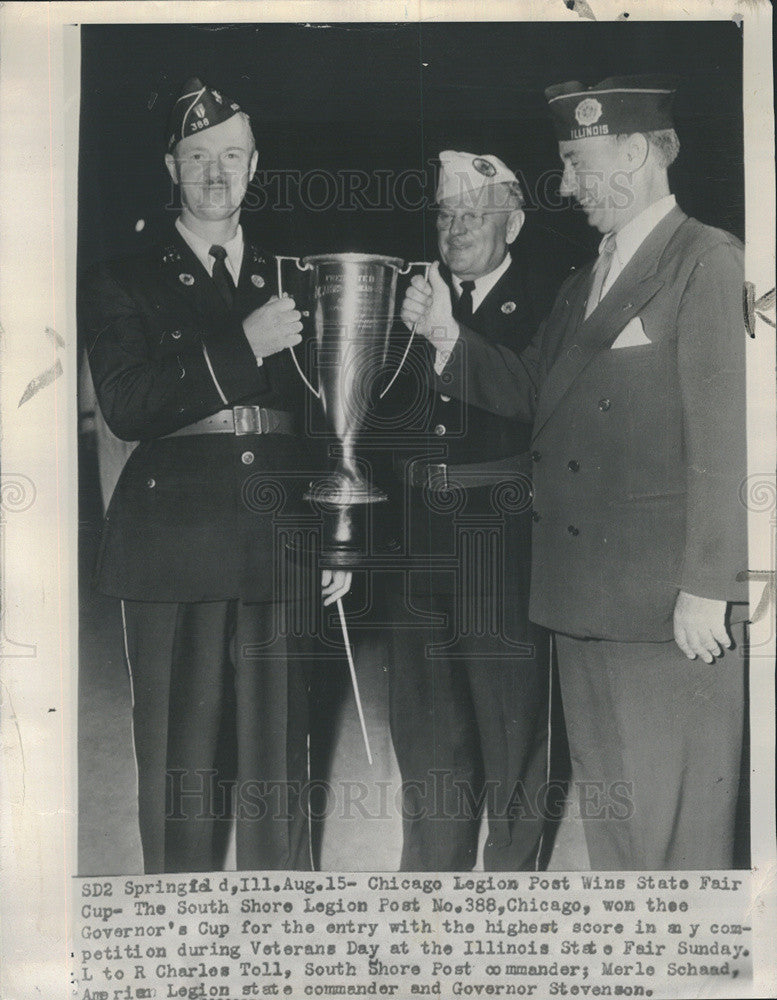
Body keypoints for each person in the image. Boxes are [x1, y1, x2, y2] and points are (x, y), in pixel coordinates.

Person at [400, 76, 748, 871]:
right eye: (564, 165)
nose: (568, 185)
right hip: (579, 598)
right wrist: (447, 339)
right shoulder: (584, 280)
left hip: (664, 602)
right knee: (617, 825)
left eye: (579, 163)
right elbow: (531, 392)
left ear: (635, 152)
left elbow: (724, 437)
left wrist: (707, 583)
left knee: (676, 821)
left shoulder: (703, 260)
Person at [80, 78, 351, 874]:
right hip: (172, 540)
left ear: (255, 166)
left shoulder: (293, 276)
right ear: (171, 167)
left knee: (281, 756)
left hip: (280, 537)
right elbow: (128, 404)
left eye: (231, 156)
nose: (215, 172)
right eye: (197, 156)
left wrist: (336, 528)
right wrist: (245, 345)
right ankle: (176, 928)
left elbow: (324, 414)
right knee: (180, 759)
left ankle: (279, 926)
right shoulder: (120, 276)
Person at [384, 151, 558, 871]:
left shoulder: (554, 295)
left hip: (504, 530)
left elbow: (531, 394)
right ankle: (430, 884)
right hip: (417, 532)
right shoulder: (408, 297)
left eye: (474, 214)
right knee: (426, 727)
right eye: (445, 213)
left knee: (511, 724)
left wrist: (448, 337)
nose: (456, 228)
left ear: (511, 222)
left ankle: (510, 889)